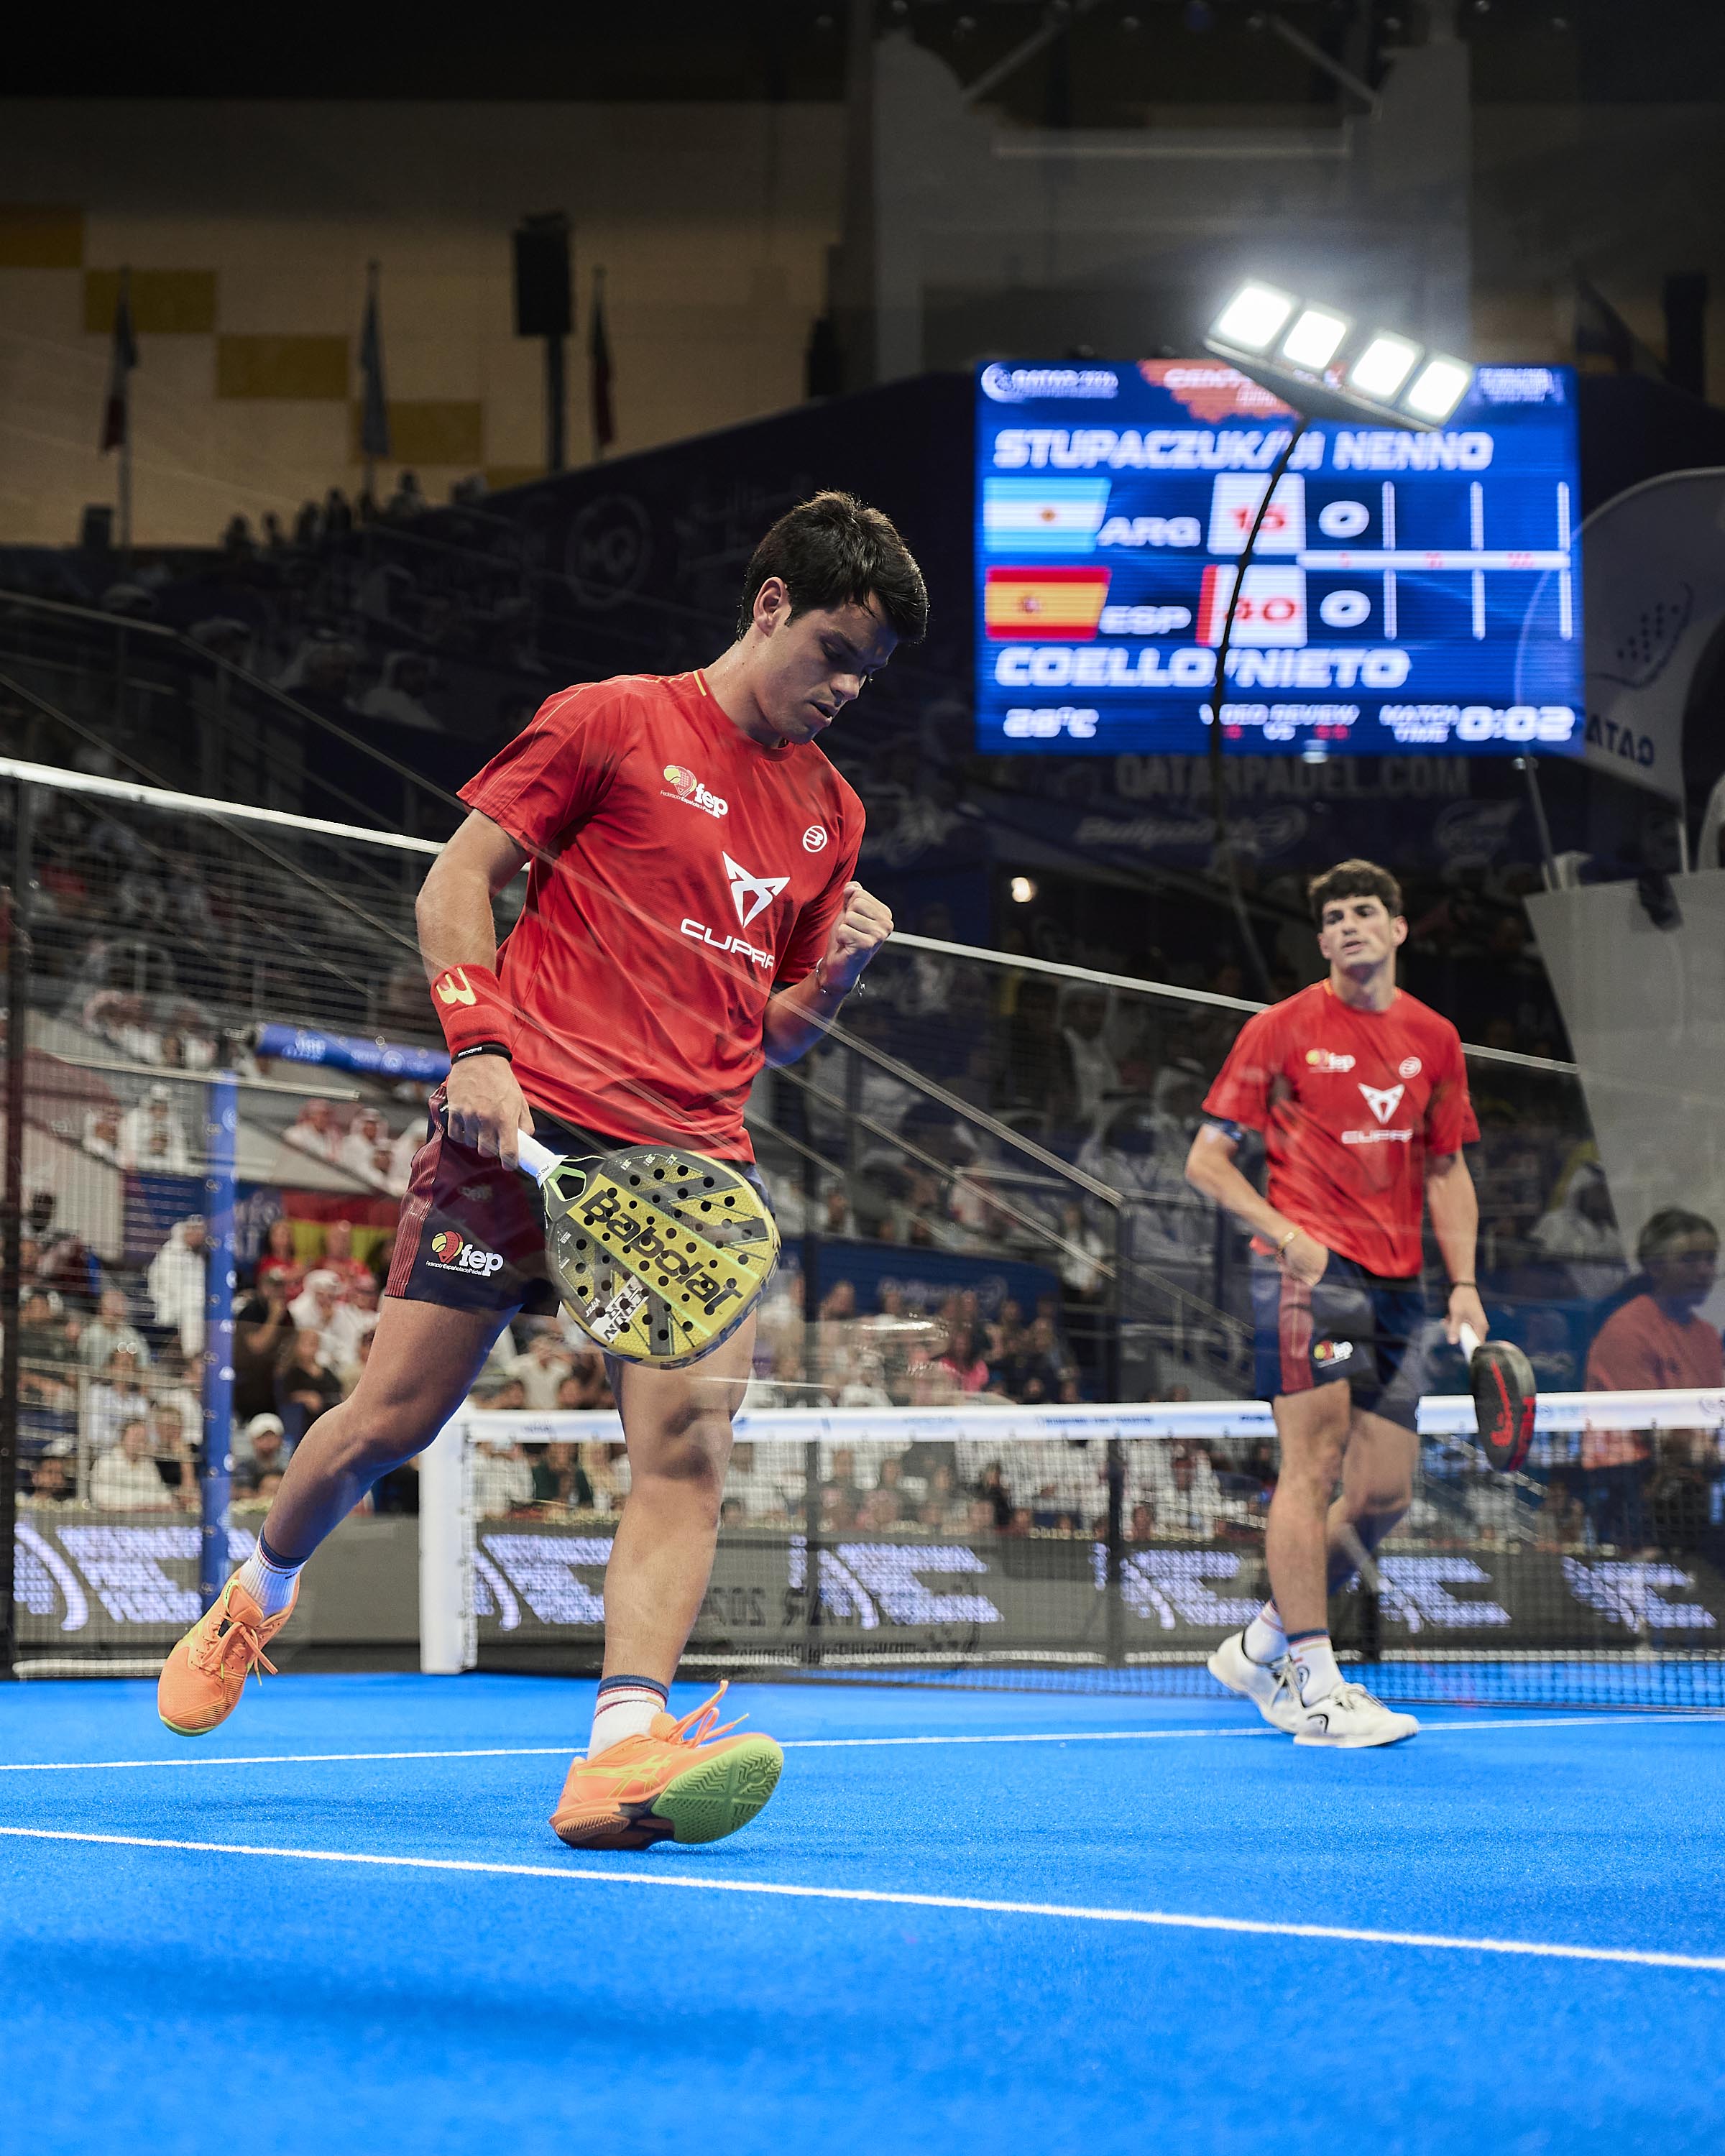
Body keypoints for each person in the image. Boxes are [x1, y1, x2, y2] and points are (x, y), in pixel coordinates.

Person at [159, 490, 926, 1852]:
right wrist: (478, 1047)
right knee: (392, 1420)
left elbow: (774, 1038)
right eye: (835, 653)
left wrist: (842, 974)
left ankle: (620, 1751)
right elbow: (454, 884)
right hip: (514, 1132)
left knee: (688, 1448)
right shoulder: (609, 720)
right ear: (770, 606)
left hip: (687, 1170)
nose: (847, 690)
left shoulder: (833, 815)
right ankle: (257, 1593)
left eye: (869, 674)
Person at [1184, 858, 1486, 1749]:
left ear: (1398, 928)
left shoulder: (1436, 1038)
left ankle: (1258, 1648)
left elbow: (1446, 1167)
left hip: (1399, 1283)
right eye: (1335, 917)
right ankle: (1315, 1687)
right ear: (1321, 941)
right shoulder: (1279, 1030)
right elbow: (1206, 1161)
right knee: (1310, 1464)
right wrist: (1285, 1236)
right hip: (1306, 1274)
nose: (1350, 924)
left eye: (1365, 911)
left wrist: (1464, 1282)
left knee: (1384, 1493)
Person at [1581, 1208, 1723, 1552]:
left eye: (1710, 1259)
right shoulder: (1627, 1330)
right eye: (1690, 1260)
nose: (1705, 1271)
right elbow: (1654, 1430)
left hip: (1692, 1493)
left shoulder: (1706, 1336)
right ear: (1655, 1267)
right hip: (1628, 1494)